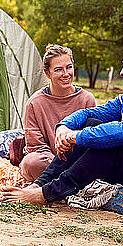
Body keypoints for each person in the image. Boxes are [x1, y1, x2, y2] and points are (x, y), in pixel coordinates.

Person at [0, 40, 123, 205]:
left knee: (108, 145)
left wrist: (76, 137)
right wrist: (64, 127)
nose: (122, 71)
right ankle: (40, 184)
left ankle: (47, 193)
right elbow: (94, 113)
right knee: (92, 123)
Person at [18, 44, 96, 181]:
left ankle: (63, 181)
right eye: (59, 70)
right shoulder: (34, 103)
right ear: (48, 74)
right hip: (46, 160)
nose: (66, 74)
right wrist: (57, 164)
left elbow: (91, 138)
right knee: (32, 163)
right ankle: (65, 181)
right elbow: (35, 147)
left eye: (69, 67)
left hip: (79, 160)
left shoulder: (87, 99)